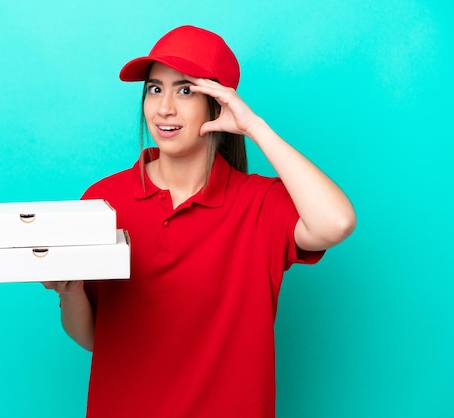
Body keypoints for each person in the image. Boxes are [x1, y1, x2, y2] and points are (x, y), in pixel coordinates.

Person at [43, 25, 356, 418]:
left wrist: (254, 127)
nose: (164, 108)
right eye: (155, 89)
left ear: (218, 102)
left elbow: (338, 222)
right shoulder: (105, 200)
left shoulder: (259, 203)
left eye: (185, 90)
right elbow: (93, 338)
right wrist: (69, 292)